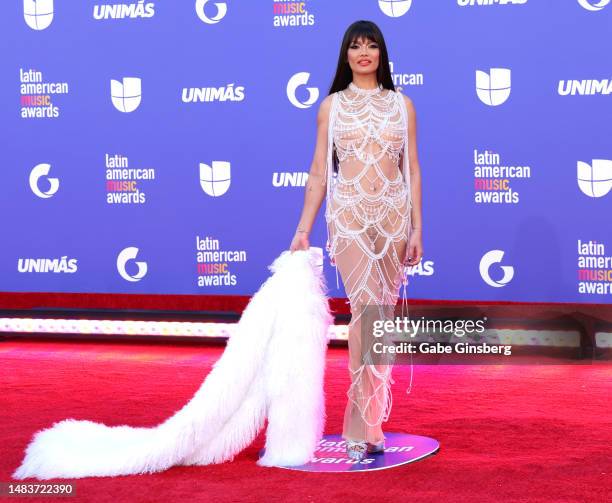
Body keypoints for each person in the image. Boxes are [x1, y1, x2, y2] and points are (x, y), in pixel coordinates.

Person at [290, 20, 423, 461]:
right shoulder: (331, 107)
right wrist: (303, 229)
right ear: (345, 55)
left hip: (392, 223)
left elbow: (412, 171)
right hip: (347, 222)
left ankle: (371, 423)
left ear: (382, 54)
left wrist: (417, 228)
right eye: (355, 45)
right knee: (364, 314)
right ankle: (359, 423)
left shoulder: (402, 105)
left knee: (379, 320)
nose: (364, 52)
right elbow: (317, 172)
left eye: (372, 45)